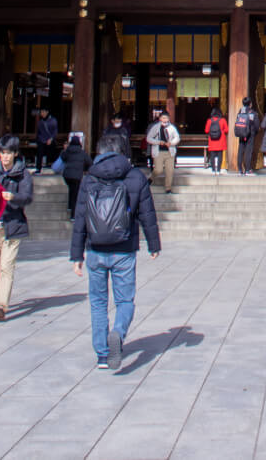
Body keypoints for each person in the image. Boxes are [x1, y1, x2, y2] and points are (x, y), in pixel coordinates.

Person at [71, 132, 161, 369]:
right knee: (125, 301)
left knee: (98, 302)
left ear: (99, 150)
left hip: (95, 248)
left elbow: (80, 217)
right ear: (124, 150)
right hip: (124, 248)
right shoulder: (135, 177)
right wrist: (154, 244)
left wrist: (75, 254)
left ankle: (102, 354)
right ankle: (118, 333)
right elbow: (147, 214)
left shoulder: (90, 179)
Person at [0, 135, 35, 320]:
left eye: (8, 153)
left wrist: (13, 197)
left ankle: (0, 305)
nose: (5, 157)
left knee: (6, 266)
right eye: (2, 153)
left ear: (15, 154)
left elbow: (27, 196)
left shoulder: (22, 174)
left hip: (12, 226)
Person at [59, 133, 93, 220]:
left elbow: (62, 157)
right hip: (77, 176)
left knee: (71, 189)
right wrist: (84, 168)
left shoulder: (68, 151)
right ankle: (73, 215)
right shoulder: (82, 152)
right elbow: (89, 162)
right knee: (75, 194)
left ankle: (69, 206)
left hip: (67, 175)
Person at [146, 111, 180, 193]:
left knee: (170, 170)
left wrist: (171, 143)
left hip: (169, 151)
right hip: (159, 151)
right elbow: (149, 138)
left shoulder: (172, 128)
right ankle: (150, 178)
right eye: (163, 118)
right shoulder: (155, 127)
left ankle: (168, 188)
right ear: (160, 118)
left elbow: (177, 138)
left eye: (166, 118)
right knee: (158, 169)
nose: (165, 120)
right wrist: (158, 142)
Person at [233, 97, 259, 174]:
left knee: (240, 150)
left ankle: (240, 169)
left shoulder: (240, 112)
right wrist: (254, 132)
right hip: (250, 134)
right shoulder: (253, 113)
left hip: (242, 133)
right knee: (248, 151)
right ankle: (247, 169)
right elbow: (257, 125)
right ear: (250, 104)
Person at [34, 108, 59, 173]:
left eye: (43, 112)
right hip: (42, 140)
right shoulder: (40, 122)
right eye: (41, 112)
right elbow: (39, 132)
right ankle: (38, 168)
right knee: (39, 153)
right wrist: (40, 139)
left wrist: (51, 139)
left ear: (47, 112)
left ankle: (52, 167)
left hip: (50, 140)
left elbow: (55, 131)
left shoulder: (53, 120)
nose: (42, 113)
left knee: (52, 152)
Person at [204, 106, 228, 173]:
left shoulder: (209, 121)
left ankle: (213, 169)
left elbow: (206, 130)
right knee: (220, 155)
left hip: (212, 140)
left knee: (212, 155)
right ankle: (219, 170)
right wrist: (221, 131)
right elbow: (226, 130)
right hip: (221, 140)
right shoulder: (223, 120)